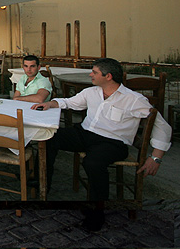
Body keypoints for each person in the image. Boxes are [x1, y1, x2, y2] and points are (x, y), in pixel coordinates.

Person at [32, 58, 172, 231]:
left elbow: (162, 125)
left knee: (92, 163)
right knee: (48, 136)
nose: (90, 74)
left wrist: (156, 157)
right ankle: (41, 184)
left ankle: (96, 215)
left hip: (113, 143)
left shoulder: (134, 99)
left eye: (95, 72)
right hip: (85, 134)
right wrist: (51, 103)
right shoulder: (91, 92)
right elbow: (70, 102)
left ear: (108, 76)